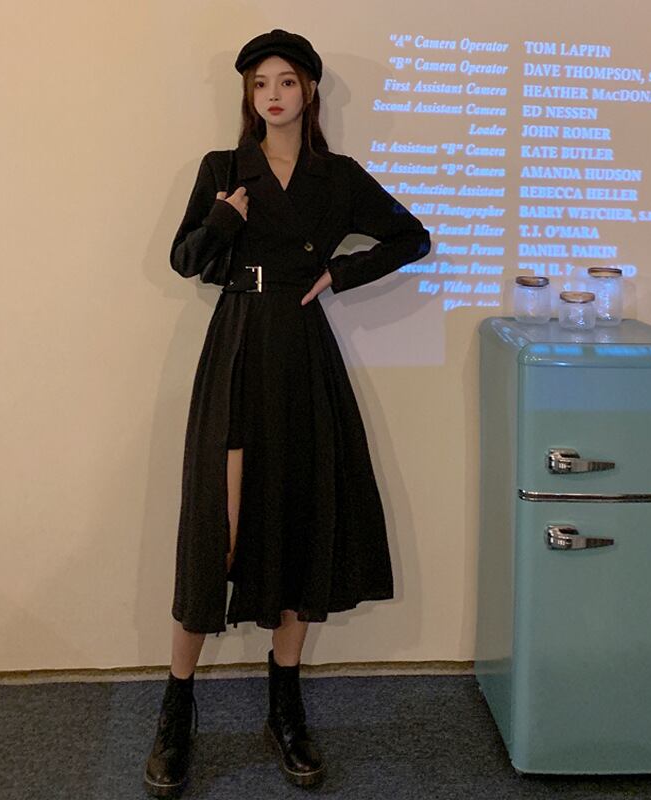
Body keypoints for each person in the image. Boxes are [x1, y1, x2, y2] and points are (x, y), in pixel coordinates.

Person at [144, 28, 431, 797]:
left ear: (309, 91)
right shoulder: (223, 168)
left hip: (303, 356)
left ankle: (285, 706)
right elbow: (187, 260)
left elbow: (412, 237)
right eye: (260, 83)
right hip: (238, 346)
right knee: (218, 530)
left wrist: (340, 272)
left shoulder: (336, 177)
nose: (273, 95)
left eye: (287, 81)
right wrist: (225, 220)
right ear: (249, 95)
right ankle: (176, 710)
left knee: (301, 524)